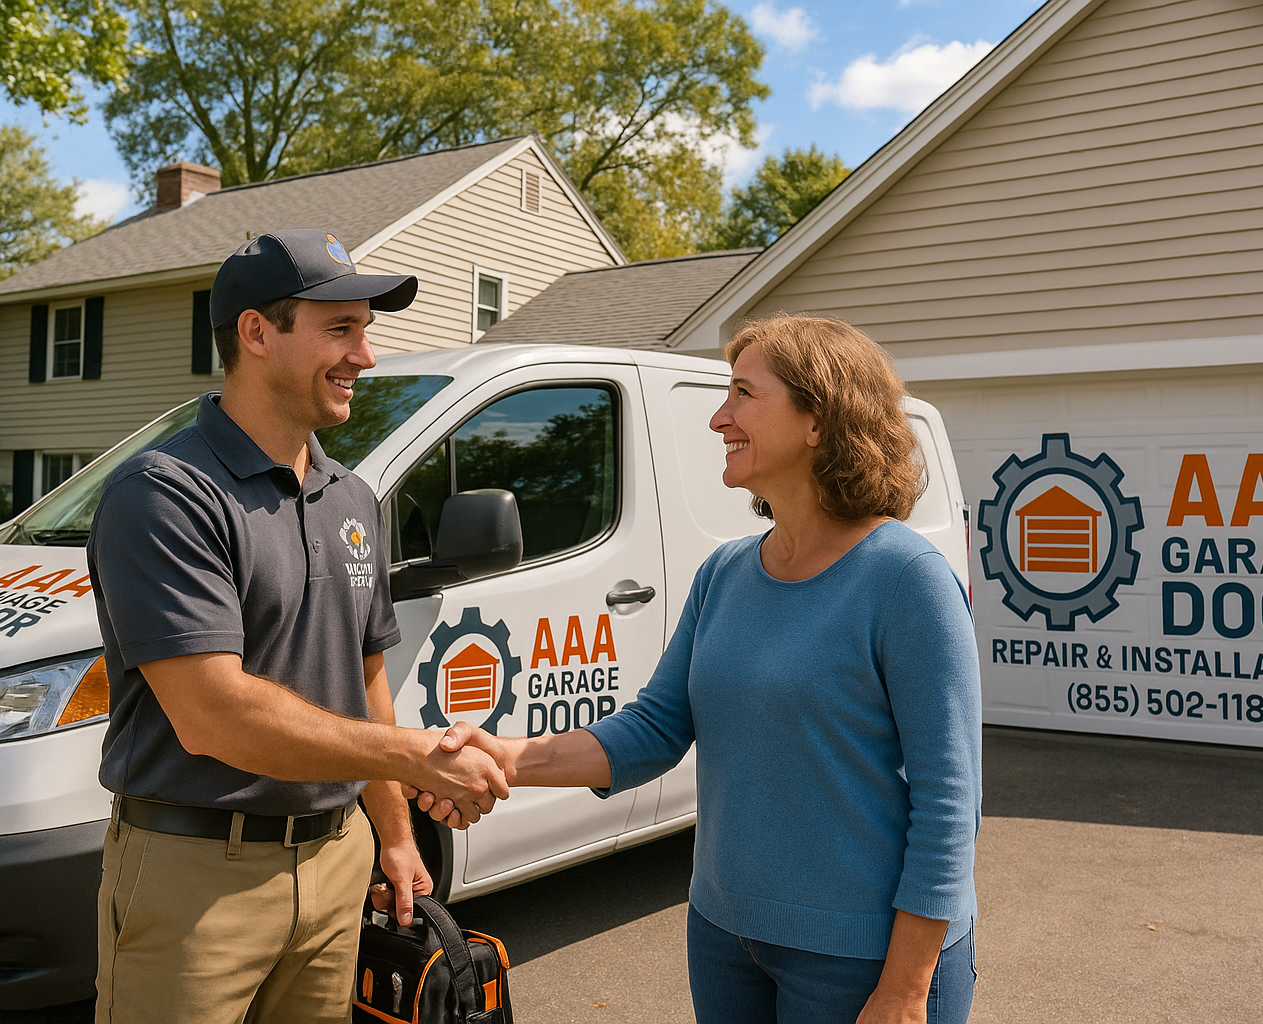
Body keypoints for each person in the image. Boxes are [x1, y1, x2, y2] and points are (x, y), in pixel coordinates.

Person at [414, 313, 981, 1024]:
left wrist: (906, 988)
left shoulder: (907, 578)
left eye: (744, 394)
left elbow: (949, 804)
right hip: (725, 938)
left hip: (863, 957)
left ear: (818, 420)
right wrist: (506, 758)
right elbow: (654, 729)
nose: (719, 418)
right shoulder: (726, 572)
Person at [86, 229, 508, 1024]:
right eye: (340, 329)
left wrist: (393, 835)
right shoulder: (165, 493)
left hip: (339, 862)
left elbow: (365, 678)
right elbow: (214, 714)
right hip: (197, 876)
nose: (366, 356)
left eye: (366, 330)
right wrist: (416, 756)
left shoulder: (354, 498)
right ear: (255, 332)